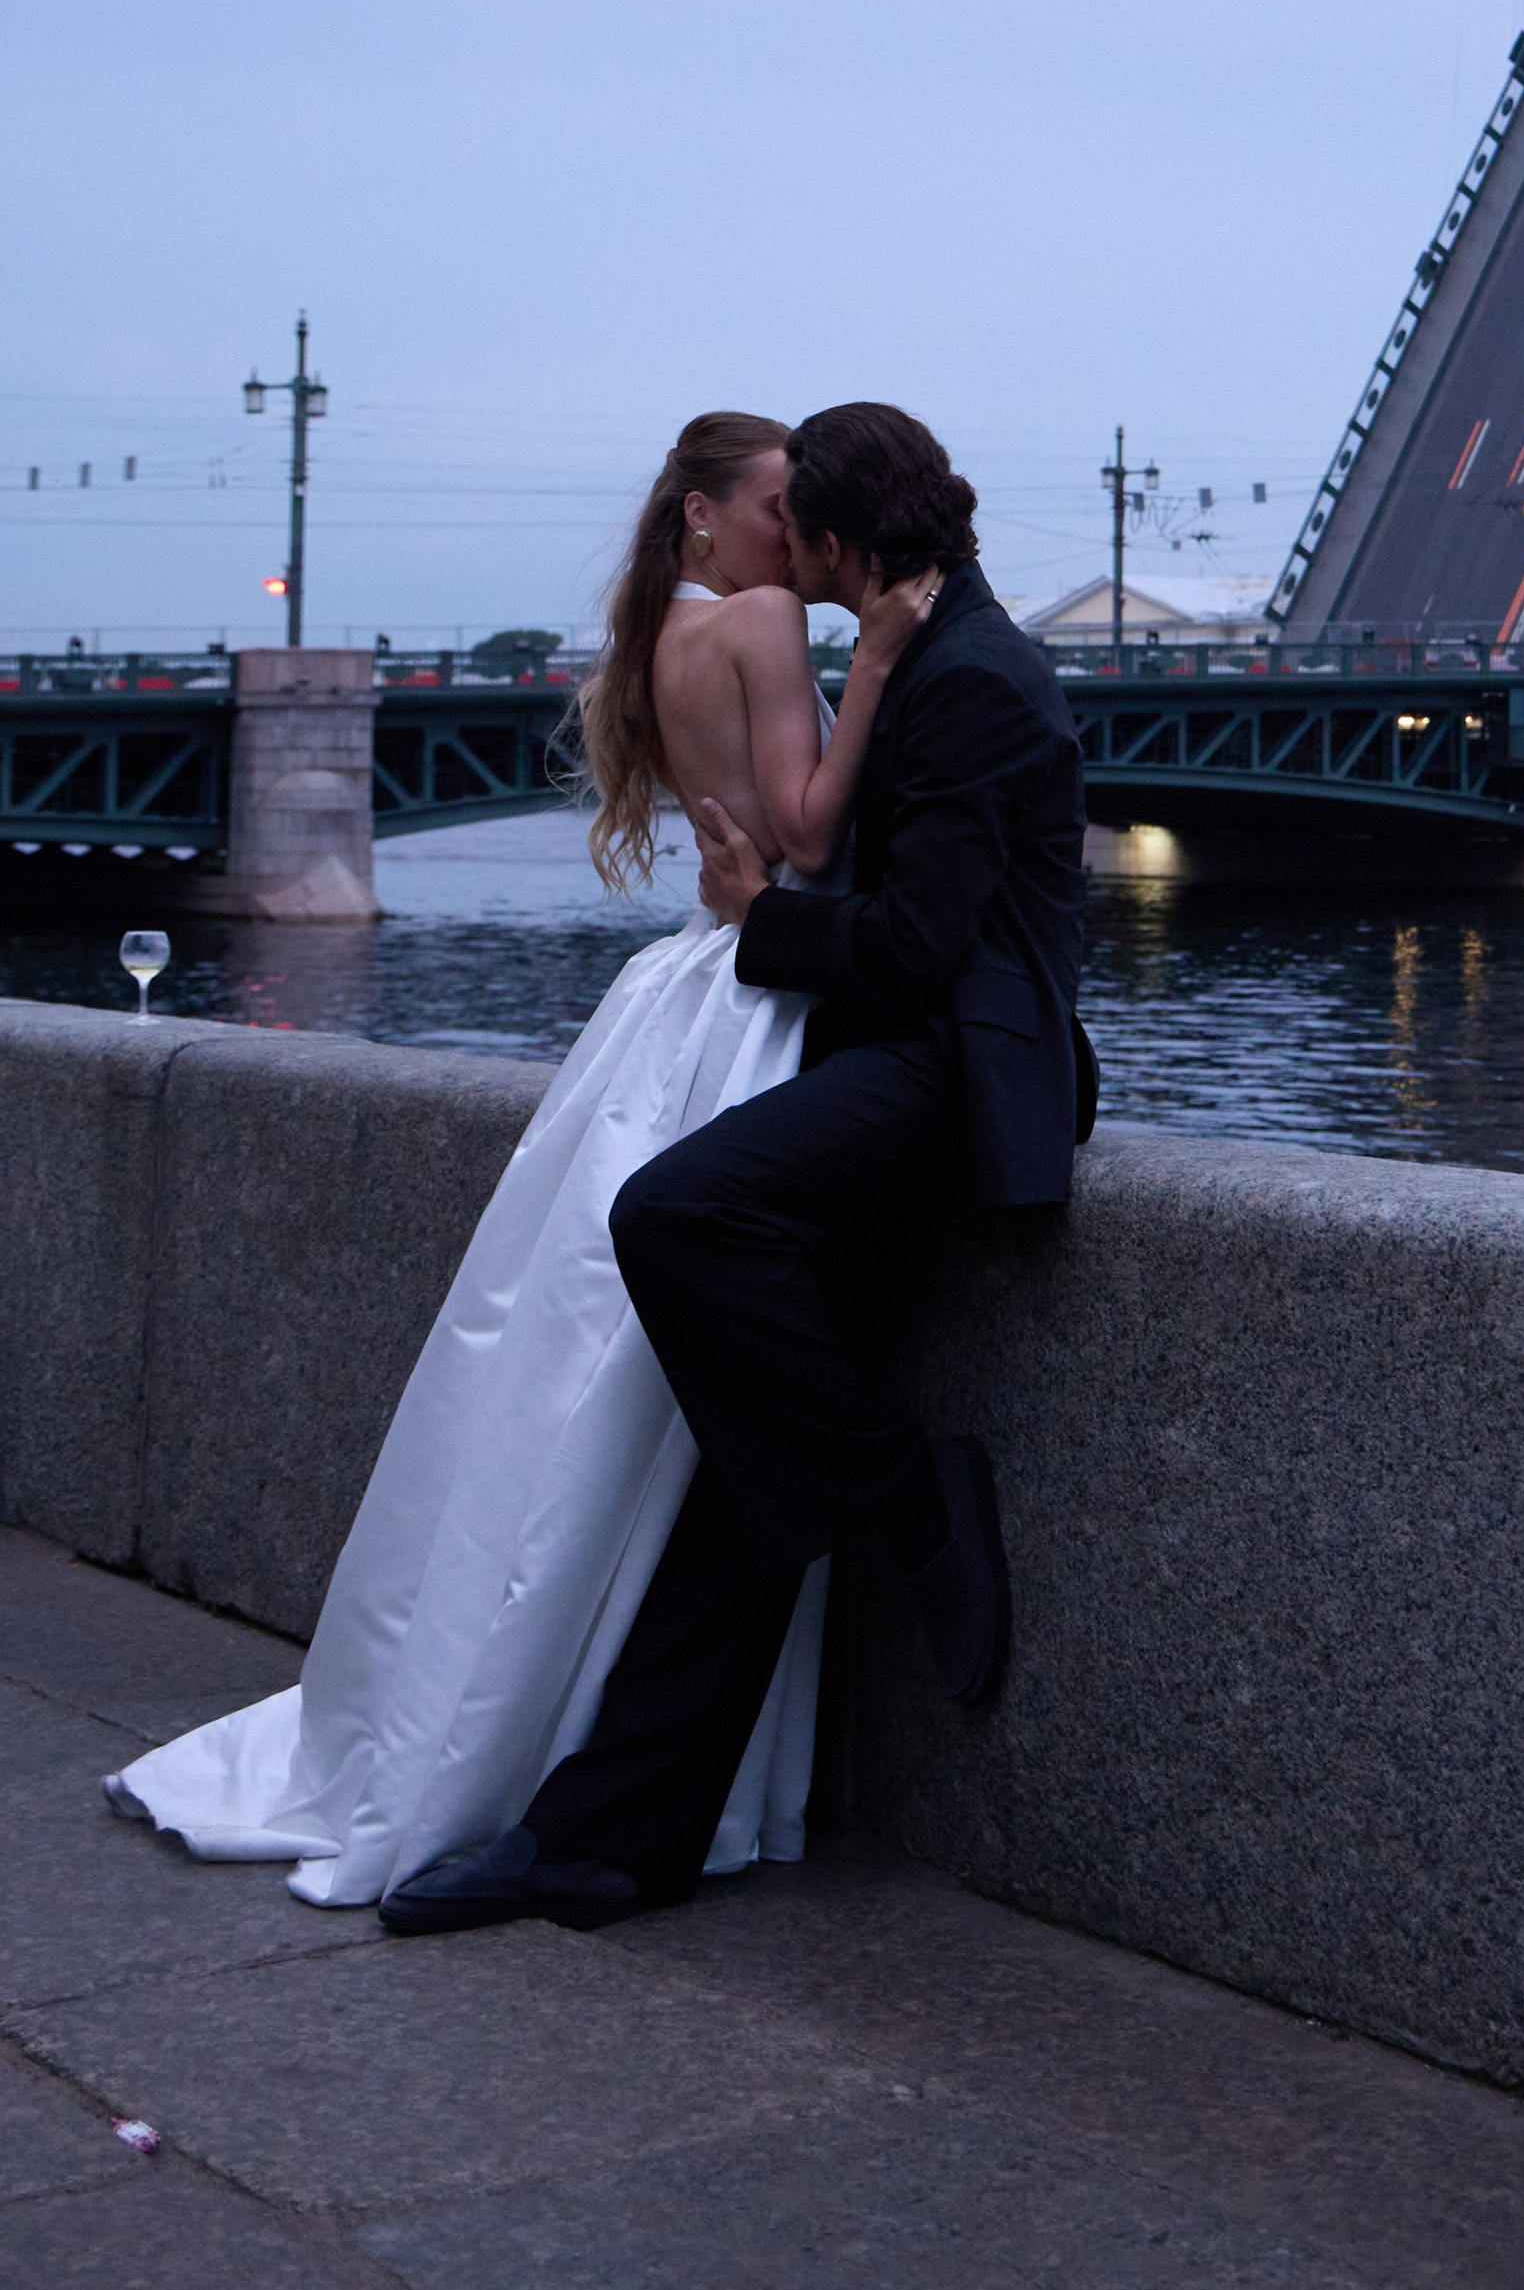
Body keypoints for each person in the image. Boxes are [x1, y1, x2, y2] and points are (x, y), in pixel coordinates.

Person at [100, 410, 944, 1907]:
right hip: (755, 999)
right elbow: (809, 841)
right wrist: (874, 662)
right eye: (767, 503)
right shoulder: (761, 620)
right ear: (701, 515)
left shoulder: (660, 636)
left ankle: (519, 1723)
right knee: (678, 1377)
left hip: (671, 996)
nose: (790, 532)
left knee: (570, 1361)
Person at [371, 398, 1091, 1935]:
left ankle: (903, 1486)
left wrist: (757, 911)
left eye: (798, 531)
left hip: (945, 1068)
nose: (785, 555)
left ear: (839, 539)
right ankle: (612, 1839)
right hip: (859, 1042)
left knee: (675, 1215)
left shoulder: (977, 682)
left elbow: (914, 951)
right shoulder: (928, 649)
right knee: (741, 1453)